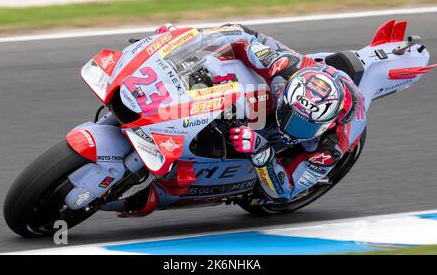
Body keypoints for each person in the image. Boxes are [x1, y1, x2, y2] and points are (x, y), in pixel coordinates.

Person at [155, 23, 367, 203]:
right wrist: (181, 41)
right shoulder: (282, 67)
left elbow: (286, 191)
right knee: (237, 29)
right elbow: (240, 39)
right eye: (289, 114)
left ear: (326, 125)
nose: (290, 127)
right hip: (297, 67)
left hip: (320, 133)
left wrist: (261, 151)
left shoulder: (332, 144)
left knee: (274, 189)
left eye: (303, 126)